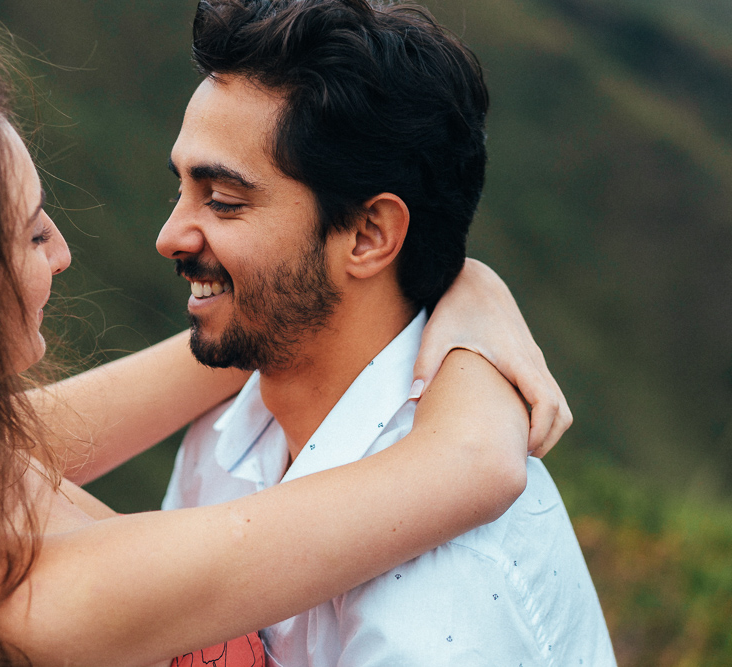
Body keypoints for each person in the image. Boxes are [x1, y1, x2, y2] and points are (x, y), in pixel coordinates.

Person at [0, 21, 565, 667]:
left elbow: (257, 328)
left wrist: (438, 274)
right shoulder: (48, 596)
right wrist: (474, 304)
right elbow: (476, 467)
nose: (61, 252)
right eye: (28, 235)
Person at [158, 1, 616, 665]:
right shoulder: (228, 429)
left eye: (222, 200)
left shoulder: (447, 591)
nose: (169, 235)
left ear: (369, 235)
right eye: (180, 189)